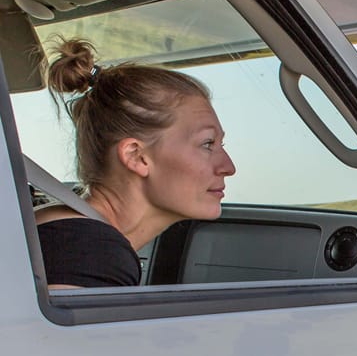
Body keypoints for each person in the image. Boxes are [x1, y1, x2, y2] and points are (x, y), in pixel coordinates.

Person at [35, 38, 236, 289]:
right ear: (136, 156)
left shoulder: (58, 229)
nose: (228, 167)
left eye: (221, 145)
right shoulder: (91, 254)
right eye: (207, 144)